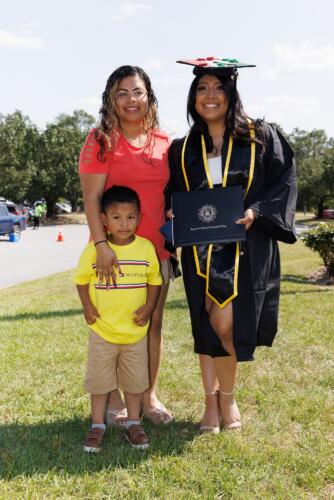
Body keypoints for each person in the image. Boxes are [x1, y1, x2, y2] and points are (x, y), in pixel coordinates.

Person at [167, 57, 297, 434]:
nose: (210, 96)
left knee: (225, 324)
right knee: (205, 325)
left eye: (218, 88)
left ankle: (228, 396)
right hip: (199, 251)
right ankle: (211, 402)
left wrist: (258, 211)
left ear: (231, 93)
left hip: (243, 248)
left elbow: (284, 179)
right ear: (193, 97)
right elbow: (172, 192)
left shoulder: (259, 136)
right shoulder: (184, 147)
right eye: (202, 88)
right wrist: (172, 212)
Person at [79, 65, 173, 426]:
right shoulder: (99, 140)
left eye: (137, 92)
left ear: (148, 95)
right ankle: (115, 398)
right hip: (111, 255)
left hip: (156, 253)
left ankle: (148, 395)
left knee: (152, 323)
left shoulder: (164, 142)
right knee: (109, 325)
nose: (130, 100)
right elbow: (92, 201)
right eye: (122, 93)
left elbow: (171, 195)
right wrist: (102, 245)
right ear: (110, 98)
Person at [74, 186, 162, 452]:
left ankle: (134, 423)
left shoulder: (146, 249)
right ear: (104, 220)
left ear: (139, 218)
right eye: (116, 217)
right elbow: (80, 281)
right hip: (103, 331)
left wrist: (148, 307)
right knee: (100, 383)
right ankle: (97, 426)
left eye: (130, 217)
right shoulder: (94, 251)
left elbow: (154, 281)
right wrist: (87, 306)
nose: (124, 223)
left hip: (135, 334)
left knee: (135, 383)